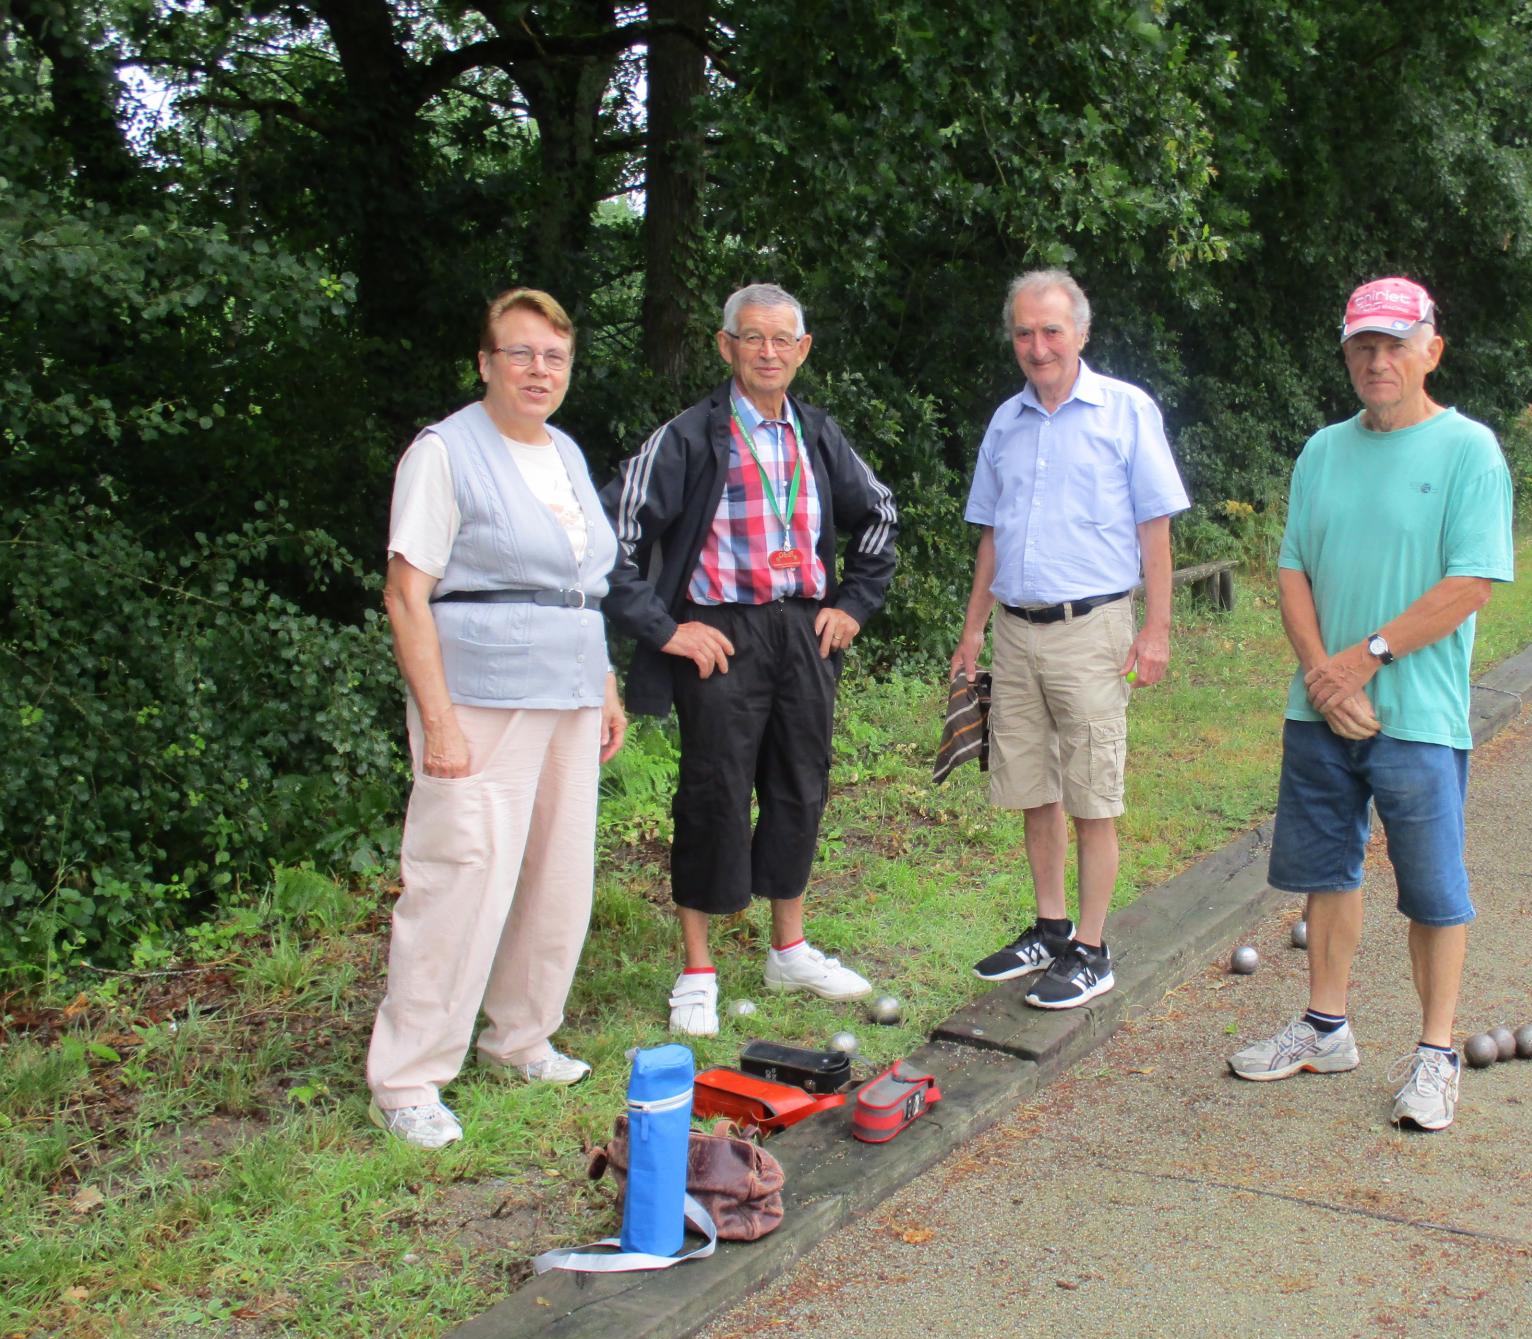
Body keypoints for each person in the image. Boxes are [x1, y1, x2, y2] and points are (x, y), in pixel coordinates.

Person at [1227, 276, 1514, 1131]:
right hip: (1322, 710)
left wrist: (1363, 660)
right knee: (1324, 872)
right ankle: (1325, 1027)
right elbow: (1291, 570)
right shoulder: (1322, 450)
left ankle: (1435, 1054)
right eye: (1363, 345)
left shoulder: (1470, 450)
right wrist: (1323, 673)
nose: (1377, 360)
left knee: (1433, 890)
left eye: (1394, 344)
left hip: (1415, 715)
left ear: (1432, 348)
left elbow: (1470, 584)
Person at [368, 287, 629, 1149]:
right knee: (461, 877)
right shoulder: (443, 453)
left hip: (569, 694)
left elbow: (580, 583)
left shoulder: (563, 451)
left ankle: (519, 1035)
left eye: (553, 356)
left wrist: (607, 683)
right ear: (485, 363)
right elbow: (407, 595)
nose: (538, 370)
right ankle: (408, 1079)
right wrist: (437, 720)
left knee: (557, 875)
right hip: (478, 696)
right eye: (519, 353)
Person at [602, 283, 898, 1036]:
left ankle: (789, 947)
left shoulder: (819, 436)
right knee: (713, 790)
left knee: (801, 783)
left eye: (783, 340)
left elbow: (880, 517)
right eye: (753, 338)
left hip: (804, 630)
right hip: (721, 635)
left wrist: (852, 606)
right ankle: (697, 967)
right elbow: (608, 539)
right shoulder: (690, 437)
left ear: (802, 351)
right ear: (725, 345)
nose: (768, 352)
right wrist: (667, 629)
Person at [949, 270, 1189, 1010]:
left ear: (1081, 334)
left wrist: (1156, 629)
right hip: (1017, 635)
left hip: (1093, 630)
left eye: (1051, 331)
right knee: (1033, 788)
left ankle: (1093, 947)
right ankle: (1050, 929)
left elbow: (1156, 525)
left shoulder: (1125, 411)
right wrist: (973, 632)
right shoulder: (1006, 422)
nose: (1037, 346)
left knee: (1092, 792)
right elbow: (993, 533)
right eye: (1024, 332)